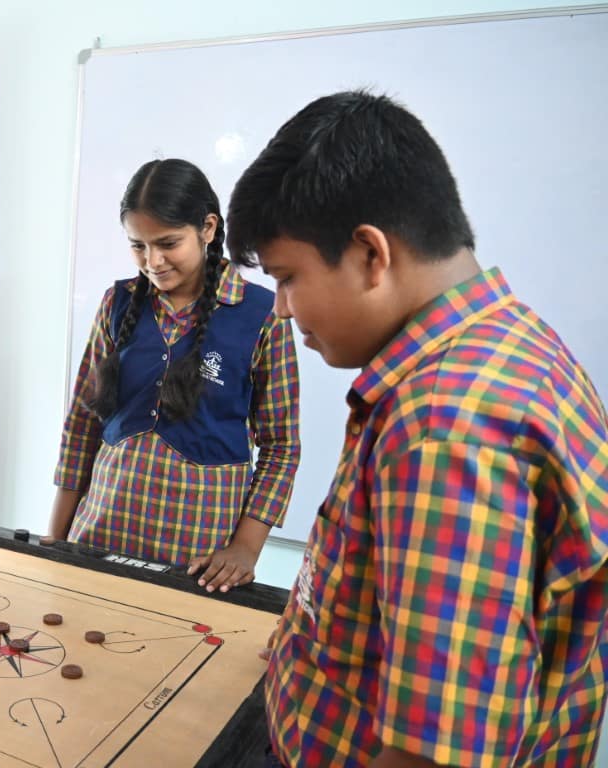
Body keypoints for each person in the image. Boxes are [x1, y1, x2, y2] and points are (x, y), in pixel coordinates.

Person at [227, 90, 608, 767]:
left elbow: (436, 753)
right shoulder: (513, 343)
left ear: (371, 254)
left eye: (287, 277)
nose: (281, 308)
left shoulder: (443, 426)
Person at [50, 158, 301, 593]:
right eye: (138, 246)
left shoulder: (262, 315)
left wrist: (246, 548)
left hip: (198, 563)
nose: (153, 261)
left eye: (168, 243)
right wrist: (54, 541)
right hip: (96, 542)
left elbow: (281, 447)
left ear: (207, 228)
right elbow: (81, 424)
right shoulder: (117, 303)